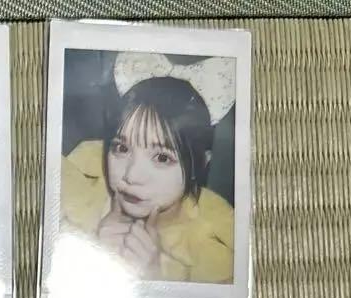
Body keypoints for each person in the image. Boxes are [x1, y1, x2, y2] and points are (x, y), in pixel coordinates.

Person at [60, 52, 236, 284]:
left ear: (199, 165)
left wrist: (154, 277)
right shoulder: (71, 186)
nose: (131, 175)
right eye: (122, 148)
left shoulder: (216, 251)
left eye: (162, 158)